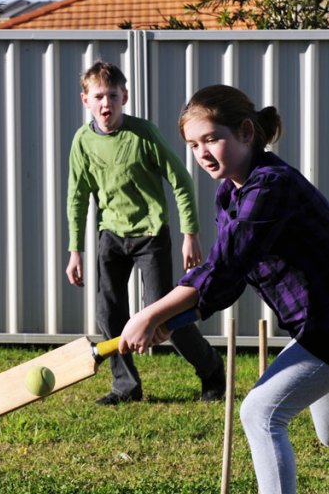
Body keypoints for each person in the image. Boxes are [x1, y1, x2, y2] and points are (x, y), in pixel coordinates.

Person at [117, 84, 329, 493]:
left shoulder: (271, 186)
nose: (202, 153)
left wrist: (150, 313)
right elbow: (232, 276)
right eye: (193, 144)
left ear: (246, 132)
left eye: (212, 139)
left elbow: (223, 268)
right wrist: (176, 318)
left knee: (260, 413)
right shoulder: (230, 193)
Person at [65, 61, 225, 406]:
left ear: (124, 96)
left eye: (112, 96)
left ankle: (212, 370)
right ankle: (126, 385)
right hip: (111, 236)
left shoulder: (143, 134)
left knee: (164, 314)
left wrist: (190, 233)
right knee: (109, 313)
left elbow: (181, 180)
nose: (106, 104)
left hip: (151, 235)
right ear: (85, 100)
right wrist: (75, 250)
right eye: (98, 97)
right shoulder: (83, 142)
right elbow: (77, 198)